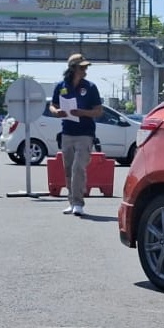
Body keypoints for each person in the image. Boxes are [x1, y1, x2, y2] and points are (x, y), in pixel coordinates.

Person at [49, 53, 102, 217]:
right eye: (82, 67)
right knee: (68, 169)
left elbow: (99, 111)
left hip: (85, 133)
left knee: (79, 167)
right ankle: (71, 202)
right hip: (67, 132)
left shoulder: (90, 87)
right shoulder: (61, 86)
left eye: (86, 67)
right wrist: (56, 112)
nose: (85, 70)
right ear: (73, 68)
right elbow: (53, 104)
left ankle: (79, 203)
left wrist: (82, 112)